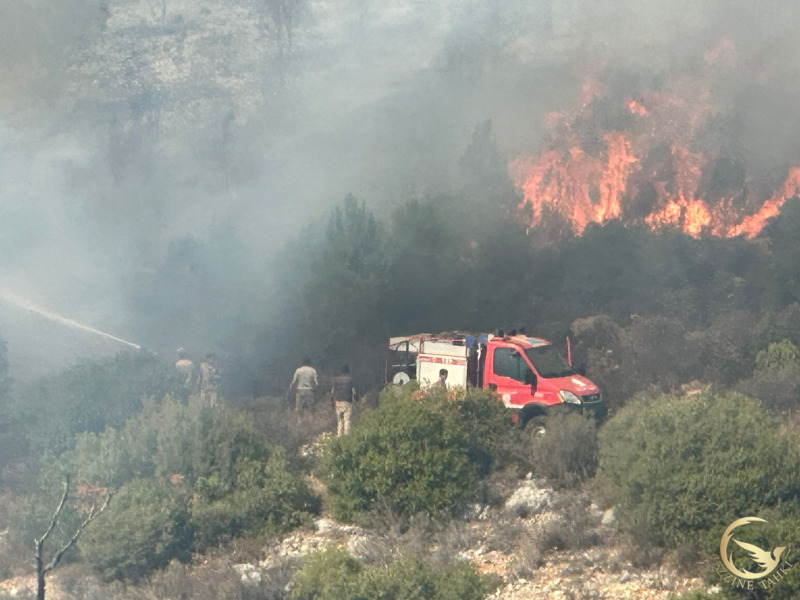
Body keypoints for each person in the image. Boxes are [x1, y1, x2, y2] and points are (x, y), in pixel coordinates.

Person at [331, 365, 355, 436]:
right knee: (347, 420)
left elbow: (332, 392)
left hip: (338, 402)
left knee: (339, 421)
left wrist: (332, 402)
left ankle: (339, 436)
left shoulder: (336, 380)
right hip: (347, 402)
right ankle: (346, 438)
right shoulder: (350, 380)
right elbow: (353, 391)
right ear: (348, 371)